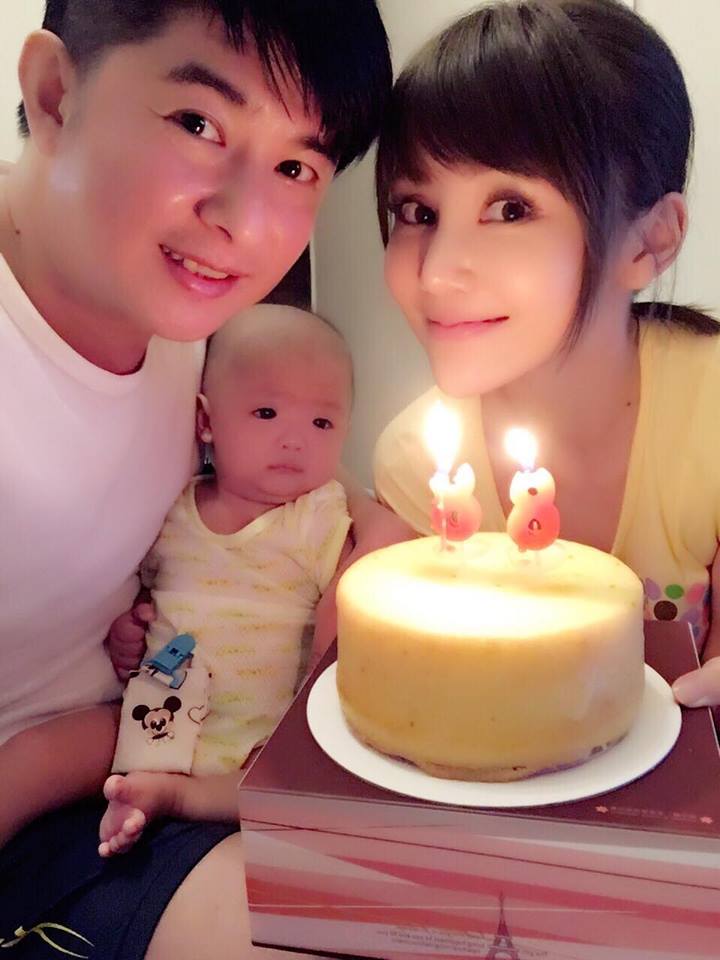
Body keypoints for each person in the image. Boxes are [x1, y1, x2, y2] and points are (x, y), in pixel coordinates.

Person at [0, 1, 400, 957]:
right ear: (54, 93)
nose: (244, 222)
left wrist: (371, 535)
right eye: (198, 123)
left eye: (297, 167)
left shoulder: (193, 338)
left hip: (148, 769)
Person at [371, 0, 720, 706]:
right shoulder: (416, 463)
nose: (435, 274)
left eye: (510, 209)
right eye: (418, 212)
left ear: (648, 240)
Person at [97, 304, 354, 857]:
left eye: (322, 423)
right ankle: (146, 789)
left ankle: (174, 798)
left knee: (281, 787)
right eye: (267, 412)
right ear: (206, 422)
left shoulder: (317, 518)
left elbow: (358, 597)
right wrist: (129, 633)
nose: (295, 439)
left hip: (258, 736)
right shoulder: (176, 511)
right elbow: (150, 598)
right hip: (160, 720)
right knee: (64, 746)